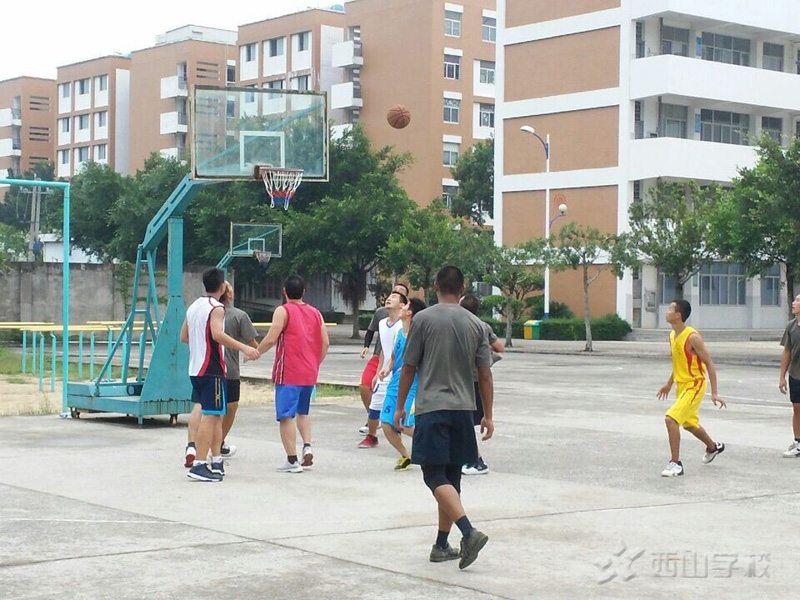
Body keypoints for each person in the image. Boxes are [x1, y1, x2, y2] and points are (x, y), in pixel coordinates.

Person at [397, 266, 493, 570]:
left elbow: (409, 367)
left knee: (433, 476)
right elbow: (485, 374)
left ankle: (468, 531)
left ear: (436, 286)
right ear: (462, 289)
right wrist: (488, 415)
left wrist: (400, 406)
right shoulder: (477, 324)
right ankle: (441, 544)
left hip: (432, 408)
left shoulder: (423, 320)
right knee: (452, 478)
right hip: (464, 409)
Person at [180, 267, 259, 482]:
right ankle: (199, 464)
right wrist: (244, 348)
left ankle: (216, 459)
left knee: (215, 416)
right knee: (210, 417)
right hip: (211, 369)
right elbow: (217, 334)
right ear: (222, 286)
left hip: (196, 369)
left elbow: (184, 336)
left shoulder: (194, 306)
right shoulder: (216, 308)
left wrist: (201, 341)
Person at [254, 274, 329, 473]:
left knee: (286, 416)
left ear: (284, 291)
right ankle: (307, 445)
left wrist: (256, 352)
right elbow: (325, 342)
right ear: (304, 291)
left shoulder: (283, 310)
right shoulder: (316, 312)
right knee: (303, 412)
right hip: (309, 372)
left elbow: (271, 338)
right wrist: (315, 363)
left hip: (288, 372)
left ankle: (292, 459)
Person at [657, 299, 726, 477]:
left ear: (678, 315)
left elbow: (709, 363)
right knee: (689, 424)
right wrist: (669, 383)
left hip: (695, 384)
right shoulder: (672, 336)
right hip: (682, 385)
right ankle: (713, 447)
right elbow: (678, 363)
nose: (666, 312)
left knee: (671, 419)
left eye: (670, 309)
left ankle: (675, 464)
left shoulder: (692, 337)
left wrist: (715, 392)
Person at [459, 294, 504, 475]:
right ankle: (469, 458)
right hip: (475, 379)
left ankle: (476, 461)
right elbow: (499, 347)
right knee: (465, 422)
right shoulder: (483, 326)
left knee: (466, 422)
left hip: (468, 379)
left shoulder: (463, 326)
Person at [380, 297, 426, 470]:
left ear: (410, 313)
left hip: (412, 385)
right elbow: (393, 356)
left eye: (405, 305)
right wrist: (387, 368)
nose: (402, 307)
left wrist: (412, 368)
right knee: (386, 423)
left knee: (405, 425)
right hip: (394, 385)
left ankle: (437, 446)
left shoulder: (418, 336)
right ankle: (407, 456)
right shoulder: (399, 332)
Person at [358, 283, 410, 434]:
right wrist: (367, 347)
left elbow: (397, 351)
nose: (390, 297)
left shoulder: (404, 324)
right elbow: (380, 345)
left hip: (397, 368)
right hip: (382, 362)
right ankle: (373, 430)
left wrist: (394, 366)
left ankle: (398, 425)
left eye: (397, 295)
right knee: (368, 389)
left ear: (403, 304)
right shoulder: (381, 318)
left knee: (398, 407)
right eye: (392, 293)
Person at [779, 293, 800, 457]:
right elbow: (787, 351)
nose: (794, 302)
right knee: (797, 409)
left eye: (798, 300)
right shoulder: (791, 326)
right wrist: (782, 377)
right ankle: (798, 442)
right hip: (796, 374)